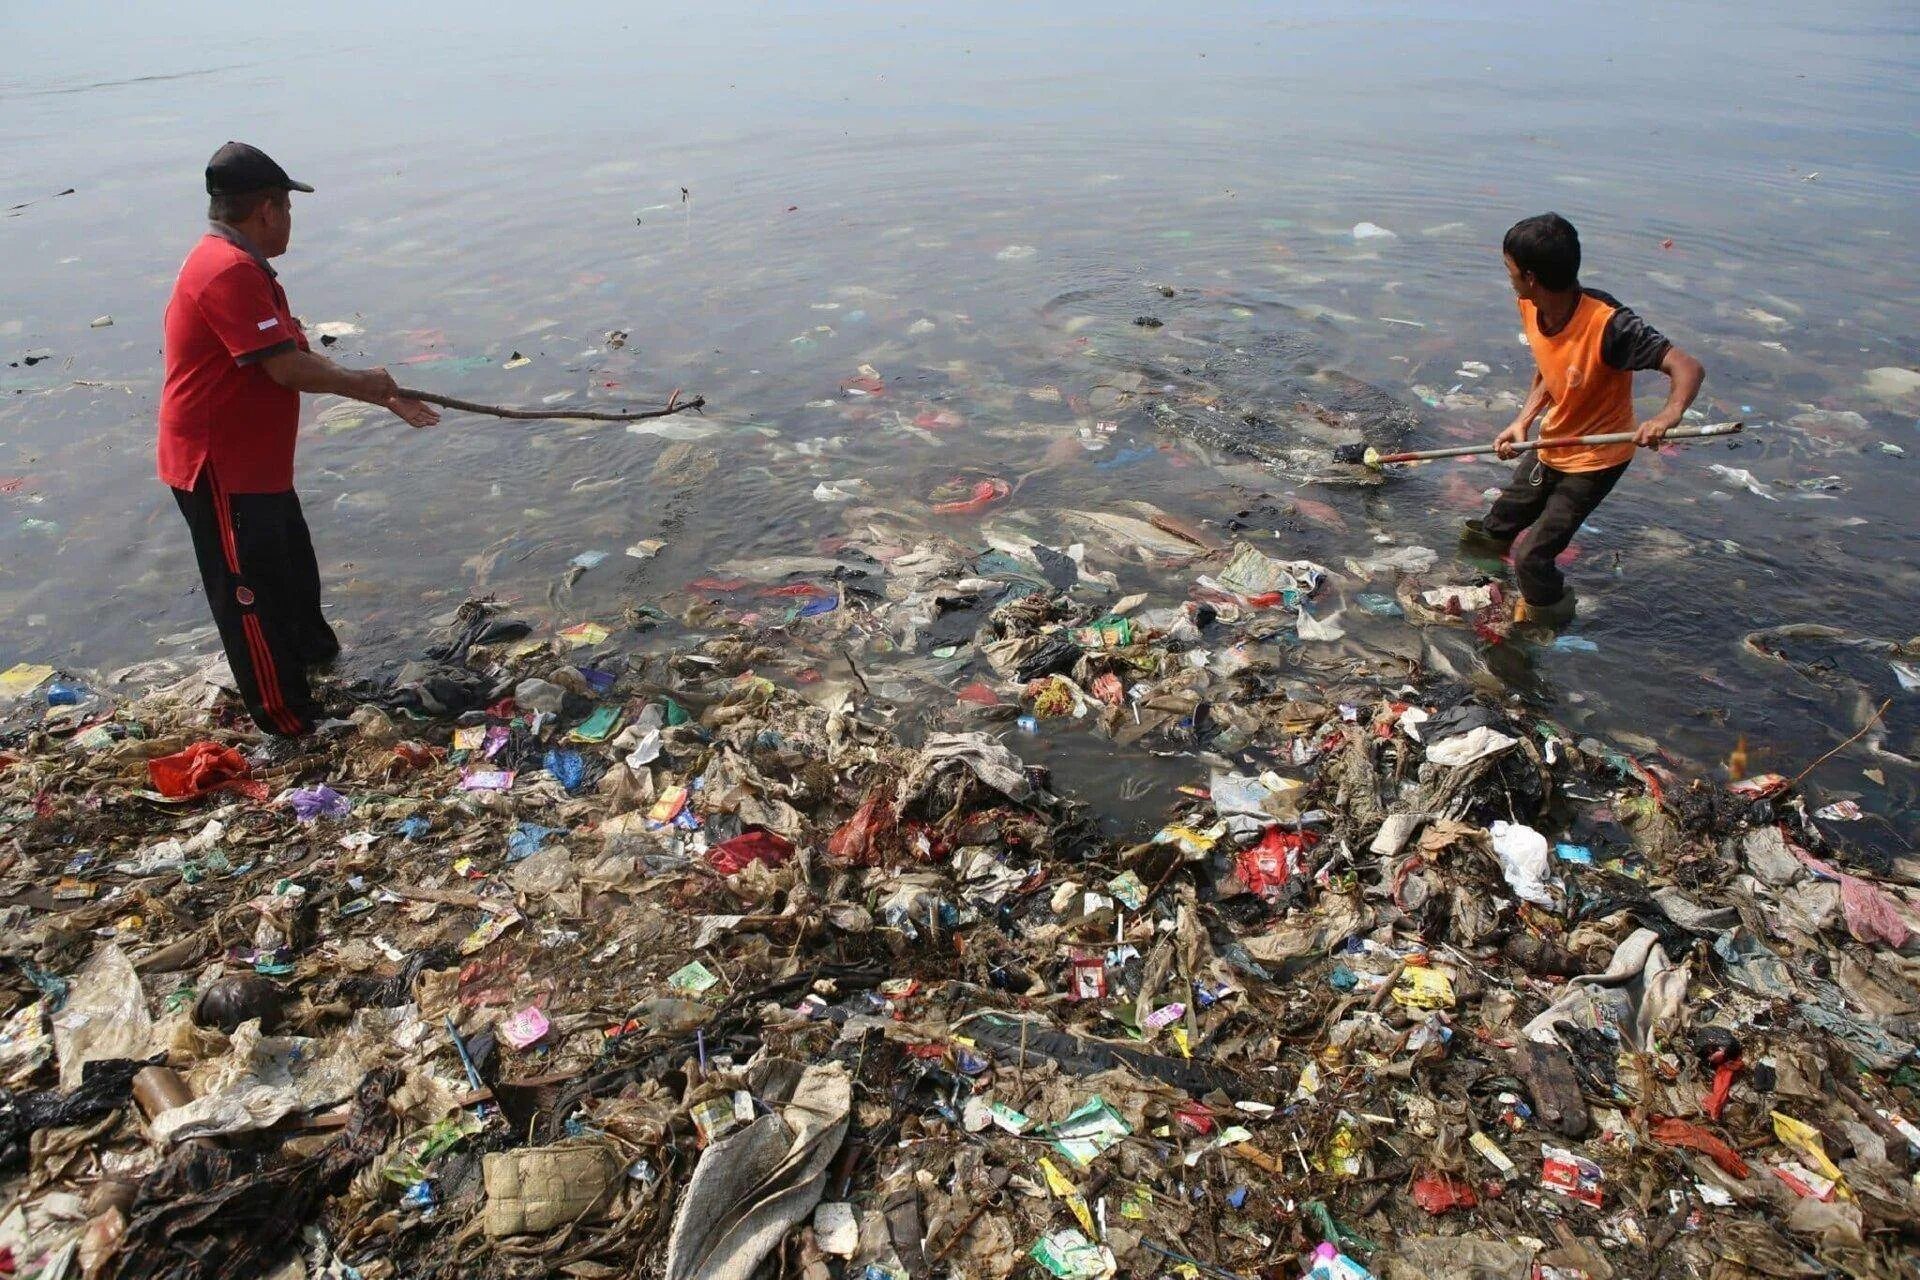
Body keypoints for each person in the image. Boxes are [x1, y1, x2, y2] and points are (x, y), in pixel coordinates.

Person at [158, 142, 440, 741]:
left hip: (259, 466)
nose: (289, 219)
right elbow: (286, 368)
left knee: (292, 575)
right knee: (250, 594)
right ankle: (289, 722)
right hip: (221, 468)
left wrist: (384, 393)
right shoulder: (226, 271)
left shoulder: (246, 267)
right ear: (266, 209)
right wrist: (368, 386)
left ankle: (318, 668)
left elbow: (291, 356)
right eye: (286, 206)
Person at [1462, 213, 1704, 624]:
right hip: (1551, 444)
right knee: (1493, 530)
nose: (1508, 277)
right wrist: (1525, 418)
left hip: (1596, 460)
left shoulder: (1609, 325)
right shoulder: (1530, 304)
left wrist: (1667, 416)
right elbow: (1553, 367)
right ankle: (1481, 595)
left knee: (1531, 557)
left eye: (1509, 269)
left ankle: (1546, 626)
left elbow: (1687, 367)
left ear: (1531, 276)